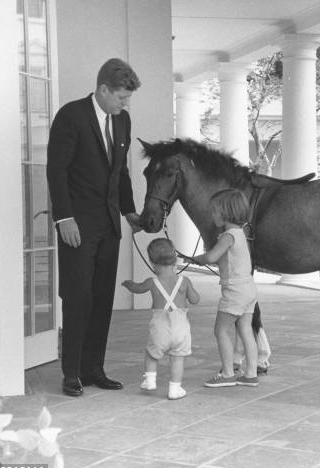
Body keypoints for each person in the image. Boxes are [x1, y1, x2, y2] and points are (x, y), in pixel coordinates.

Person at [47, 58, 142, 397]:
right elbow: (56, 170)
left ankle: (93, 369)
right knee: (78, 296)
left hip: (109, 225)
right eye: (121, 97)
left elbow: (121, 171)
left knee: (102, 297)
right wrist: (64, 218)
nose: (125, 104)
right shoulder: (70, 116)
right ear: (103, 89)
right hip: (77, 224)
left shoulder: (123, 121)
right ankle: (71, 372)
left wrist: (129, 211)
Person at [191, 189, 259, 387]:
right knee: (246, 329)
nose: (212, 215)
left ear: (225, 212)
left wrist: (193, 259)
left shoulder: (227, 236)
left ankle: (228, 374)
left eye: (214, 211)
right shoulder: (240, 234)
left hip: (235, 291)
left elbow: (211, 257)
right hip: (248, 288)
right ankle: (251, 374)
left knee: (220, 330)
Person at [122, 238, 199, 400]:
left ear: (152, 262)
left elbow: (138, 288)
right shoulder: (184, 281)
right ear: (175, 259)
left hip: (159, 327)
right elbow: (195, 299)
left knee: (151, 354)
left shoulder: (152, 282)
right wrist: (191, 293)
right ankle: (175, 389)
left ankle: (150, 380)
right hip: (180, 328)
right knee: (177, 359)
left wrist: (129, 284)